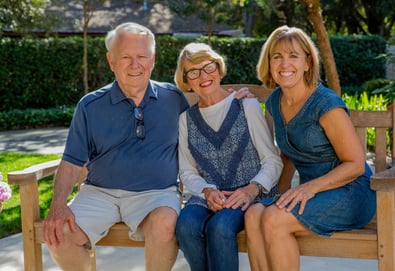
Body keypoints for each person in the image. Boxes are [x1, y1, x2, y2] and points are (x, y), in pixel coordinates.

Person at [42, 22, 252, 271]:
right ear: (111, 61)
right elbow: (71, 161)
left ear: (152, 60)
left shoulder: (173, 98)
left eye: (142, 57)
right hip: (100, 193)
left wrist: (232, 98)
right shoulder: (90, 106)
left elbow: (206, 104)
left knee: (165, 224)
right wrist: (57, 205)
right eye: (126, 57)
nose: (135, 65)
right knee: (59, 235)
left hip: (157, 194)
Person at [244, 25, 376, 271]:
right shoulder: (275, 101)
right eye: (277, 56)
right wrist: (275, 194)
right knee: (254, 215)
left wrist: (308, 188)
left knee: (274, 220)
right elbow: (288, 154)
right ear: (269, 63)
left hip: (350, 192)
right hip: (311, 194)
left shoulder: (325, 104)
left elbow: (356, 164)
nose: (285, 64)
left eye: (293, 56)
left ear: (307, 63)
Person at [174, 42, 283, 271]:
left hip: (250, 194)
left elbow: (272, 160)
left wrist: (252, 189)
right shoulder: (186, 120)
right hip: (208, 194)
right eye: (193, 72)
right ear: (186, 81)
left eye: (209, 67)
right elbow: (187, 171)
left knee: (220, 227)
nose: (203, 76)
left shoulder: (247, 106)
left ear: (219, 68)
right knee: (185, 225)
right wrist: (206, 190)